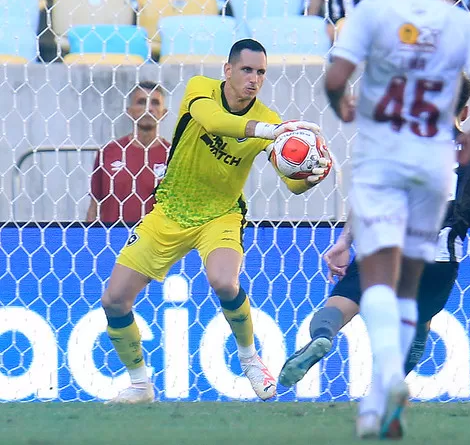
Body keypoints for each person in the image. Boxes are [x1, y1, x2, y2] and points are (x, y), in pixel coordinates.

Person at [324, 0, 470, 439]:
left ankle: (386, 383)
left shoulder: (373, 14)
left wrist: (346, 107)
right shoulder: (465, 23)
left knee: (377, 277)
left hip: (382, 161)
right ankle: (379, 400)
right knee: (406, 286)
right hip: (433, 168)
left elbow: (335, 81)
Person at [101, 39, 332, 404]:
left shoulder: (269, 120)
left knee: (224, 281)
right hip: (170, 210)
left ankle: (249, 359)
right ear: (227, 70)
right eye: (246, 70)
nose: (254, 79)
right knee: (114, 300)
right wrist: (271, 132)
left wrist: (308, 177)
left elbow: (291, 182)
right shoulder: (200, 90)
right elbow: (214, 121)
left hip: (221, 213)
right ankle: (140, 385)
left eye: (260, 73)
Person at [278, 80, 470, 391]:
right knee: (419, 324)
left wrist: (345, 242)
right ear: (465, 112)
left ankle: (323, 336)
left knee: (342, 302)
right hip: (440, 263)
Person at [87, 81, 170, 225]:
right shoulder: (108, 152)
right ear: (129, 110)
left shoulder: (174, 156)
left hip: (155, 242)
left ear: (164, 113)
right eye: (141, 102)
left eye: (155, 103)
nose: (148, 108)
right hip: (112, 240)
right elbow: (94, 205)